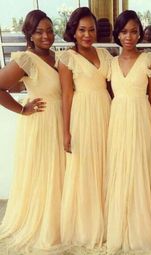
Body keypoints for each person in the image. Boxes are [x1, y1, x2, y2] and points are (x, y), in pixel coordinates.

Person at [0, 10, 65, 254]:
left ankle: (61, 221)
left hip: (61, 120)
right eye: (39, 31)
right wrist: (22, 109)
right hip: (41, 123)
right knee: (45, 173)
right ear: (29, 34)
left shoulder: (56, 57)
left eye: (49, 30)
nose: (46, 36)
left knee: (61, 172)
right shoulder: (25, 59)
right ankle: (44, 224)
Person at [57, 7, 112, 254]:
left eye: (91, 29)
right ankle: (87, 225)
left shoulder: (105, 54)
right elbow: (66, 95)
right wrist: (66, 131)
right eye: (82, 30)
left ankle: (109, 219)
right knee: (86, 167)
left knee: (106, 165)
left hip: (107, 112)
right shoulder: (67, 58)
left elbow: (112, 88)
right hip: (83, 115)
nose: (87, 34)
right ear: (73, 31)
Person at [105, 10, 151, 255]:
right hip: (118, 120)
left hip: (141, 118)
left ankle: (142, 222)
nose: (129, 36)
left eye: (134, 31)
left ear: (140, 33)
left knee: (140, 167)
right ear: (117, 33)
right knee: (120, 166)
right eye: (124, 31)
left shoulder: (149, 60)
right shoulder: (111, 63)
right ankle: (120, 220)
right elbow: (111, 93)